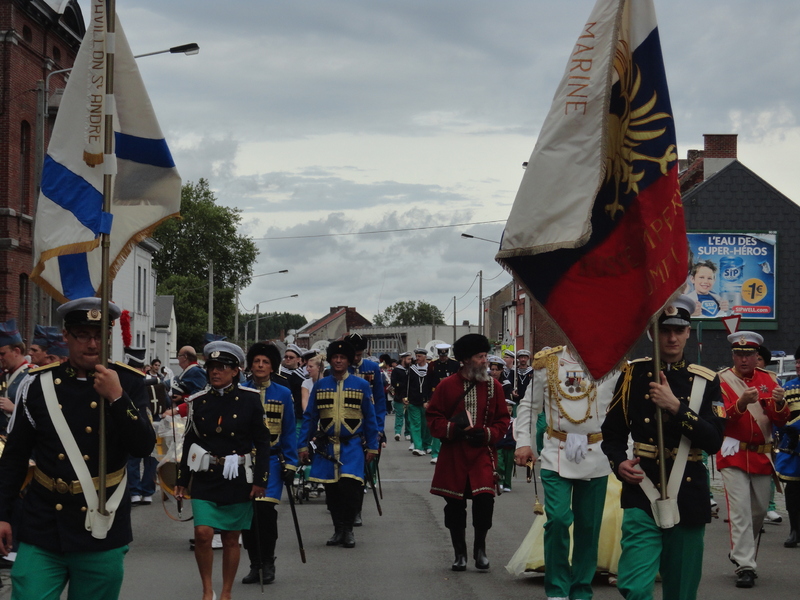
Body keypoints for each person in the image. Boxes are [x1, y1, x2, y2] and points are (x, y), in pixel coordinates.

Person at [0, 298, 155, 600]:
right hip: (44, 522)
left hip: (101, 523)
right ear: (66, 337)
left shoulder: (129, 384)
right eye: (83, 334)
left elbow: (143, 446)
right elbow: (14, 457)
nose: (92, 343)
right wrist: (2, 514)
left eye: (99, 335)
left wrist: (117, 398)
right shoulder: (38, 385)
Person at [601, 294, 726, 600]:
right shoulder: (632, 376)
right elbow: (612, 433)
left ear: (687, 332)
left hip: (688, 490)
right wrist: (618, 463)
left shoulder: (705, 381)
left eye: (678, 330)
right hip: (642, 488)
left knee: (681, 589)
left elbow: (713, 441)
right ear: (652, 333)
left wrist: (675, 407)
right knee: (634, 584)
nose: (671, 337)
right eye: (664, 330)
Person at [515, 344, 616, 600]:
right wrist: (524, 442)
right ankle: (557, 590)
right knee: (558, 519)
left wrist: (625, 452)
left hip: (597, 452)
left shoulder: (614, 364)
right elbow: (529, 407)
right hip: (556, 451)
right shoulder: (547, 362)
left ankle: (581, 589)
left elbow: (624, 413)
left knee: (588, 526)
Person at [175, 341, 271, 600]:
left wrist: (261, 479)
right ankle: (207, 590)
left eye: (222, 367)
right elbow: (189, 443)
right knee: (203, 533)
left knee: (231, 538)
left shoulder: (250, 400)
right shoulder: (198, 402)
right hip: (206, 476)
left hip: (237, 476)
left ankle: (226, 592)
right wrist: (182, 480)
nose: (215, 372)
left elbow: (263, 443)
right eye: (212, 367)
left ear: (235, 371)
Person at [427, 334, 510, 572]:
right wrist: (452, 428)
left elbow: (503, 419)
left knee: (484, 501)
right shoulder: (446, 385)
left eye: (485, 356)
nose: (486, 362)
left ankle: (480, 549)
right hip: (454, 453)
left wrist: (488, 434)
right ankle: (460, 553)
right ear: (465, 360)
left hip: (482, 453)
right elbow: (433, 416)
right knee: (454, 504)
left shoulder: (494, 386)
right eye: (480, 357)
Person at [716, 330, 789, 588]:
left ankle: (739, 551)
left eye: (748, 355)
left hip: (761, 454)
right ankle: (746, 566)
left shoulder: (769, 379)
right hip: (733, 453)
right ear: (733, 355)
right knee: (740, 513)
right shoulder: (721, 380)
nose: (743, 359)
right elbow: (719, 418)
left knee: (758, 511)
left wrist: (779, 405)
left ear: (757, 356)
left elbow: (780, 420)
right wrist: (741, 404)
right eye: (739, 354)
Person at [298, 339, 379, 549]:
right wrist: (303, 445)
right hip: (326, 447)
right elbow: (310, 417)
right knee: (332, 491)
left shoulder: (361, 385)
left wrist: (373, 446)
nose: (339, 361)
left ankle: (348, 530)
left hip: (352, 446)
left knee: (350, 488)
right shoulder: (321, 385)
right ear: (330, 360)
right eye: (335, 357)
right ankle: (337, 530)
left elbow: (370, 418)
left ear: (349, 360)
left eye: (343, 357)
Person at [240, 342, 297, 585]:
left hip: (272, 462)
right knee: (247, 516)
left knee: (265, 514)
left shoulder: (283, 393)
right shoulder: (240, 390)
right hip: (243, 464)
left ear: (272, 367)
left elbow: (289, 431)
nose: (260, 366)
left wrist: (291, 464)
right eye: (256, 362)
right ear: (250, 366)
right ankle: (254, 564)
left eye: (265, 362)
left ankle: (268, 562)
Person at [776, 347, 800, 548]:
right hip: (794, 450)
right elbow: (780, 417)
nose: (799, 365)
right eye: (798, 361)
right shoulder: (788, 388)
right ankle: (795, 530)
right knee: (793, 491)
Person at [428, 343, 461, 465]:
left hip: (452, 398)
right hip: (437, 397)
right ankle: (435, 453)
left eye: (445, 355)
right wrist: (427, 399)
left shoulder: (455, 364)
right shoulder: (432, 365)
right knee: (438, 424)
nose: (443, 357)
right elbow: (428, 382)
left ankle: (450, 453)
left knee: (452, 425)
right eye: (441, 355)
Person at [489, 356, 515, 491]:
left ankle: (504, 480)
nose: (493, 372)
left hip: (499, 416)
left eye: (496, 370)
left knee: (503, 455)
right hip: (489, 416)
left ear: (501, 371)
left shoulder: (505, 384)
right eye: (491, 369)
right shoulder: (486, 381)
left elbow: (506, 404)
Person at [0, 319, 30, 433]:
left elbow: (42, 413)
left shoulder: (33, 376)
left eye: (2, 354)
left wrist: (14, 409)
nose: (0, 358)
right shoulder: (4, 376)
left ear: (16, 351)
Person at [405, 348, 432, 456]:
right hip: (414, 401)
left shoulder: (430, 369)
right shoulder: (411, 370)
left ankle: (427, 445)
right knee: (415, 424)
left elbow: (433, 385)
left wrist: (430, 399)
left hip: (427, 402)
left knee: (426, 425)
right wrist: (405, 398)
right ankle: (418, 447)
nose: (417, 358)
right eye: (416, 356)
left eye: (420, 356)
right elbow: (407, 385)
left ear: (425, 357)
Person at [390, 351, 412, 441]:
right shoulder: (397, 370)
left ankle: (408, 433)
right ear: (403, 359)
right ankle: (398, 432)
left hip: (410, 396)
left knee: (409, 416)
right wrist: (403, 385)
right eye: (408, 359)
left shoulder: (411, 369)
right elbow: (394, 383)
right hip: (399, 396)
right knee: (399, 415)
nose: (410, 361)